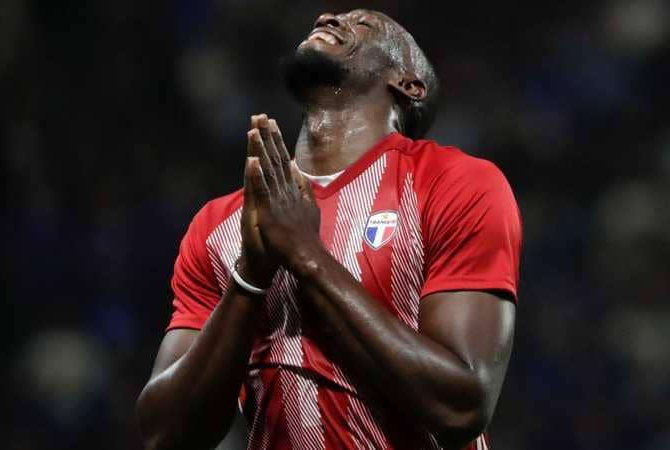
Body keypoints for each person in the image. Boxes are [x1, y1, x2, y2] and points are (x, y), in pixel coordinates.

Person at [137, 9, 521, 450]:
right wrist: (249, 279)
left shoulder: (453, 183)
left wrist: (307, 255)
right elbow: (164, 435)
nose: (329, 17)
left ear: (408, 83)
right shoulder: (219, 225)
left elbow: (462, 407)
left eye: (363, 24)